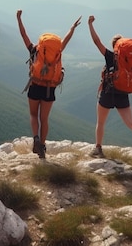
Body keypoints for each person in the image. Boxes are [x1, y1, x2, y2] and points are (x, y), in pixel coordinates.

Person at [87, 15, 132, 161]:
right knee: (131, 123)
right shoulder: (128, 62)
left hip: (108, 93)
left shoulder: (110, 56)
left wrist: (90, 24)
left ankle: (98, 148)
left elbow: (96, 41)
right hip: (123, 93)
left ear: (114, 46)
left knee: (100, 122)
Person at [16, 9, 81, 159]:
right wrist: (72, 28)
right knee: (44, 118)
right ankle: (42, 146)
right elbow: (66, 40)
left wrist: (19, 19)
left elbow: (24, 35)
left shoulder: (34, 51)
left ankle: (36, 139)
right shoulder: (58, 52)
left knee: (33, 114)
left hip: (35, 85)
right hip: (49, 88)